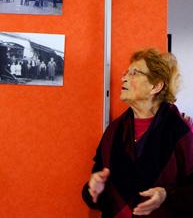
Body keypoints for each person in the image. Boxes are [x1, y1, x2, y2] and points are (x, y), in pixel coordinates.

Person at [82, 48, 193, 217]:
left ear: (156, 86)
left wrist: (166, 195)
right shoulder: (114, 131)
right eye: (126, 72)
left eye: (135, 73)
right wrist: (94, 190)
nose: (123, 78)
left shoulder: (180, 131)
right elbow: (97, 187)